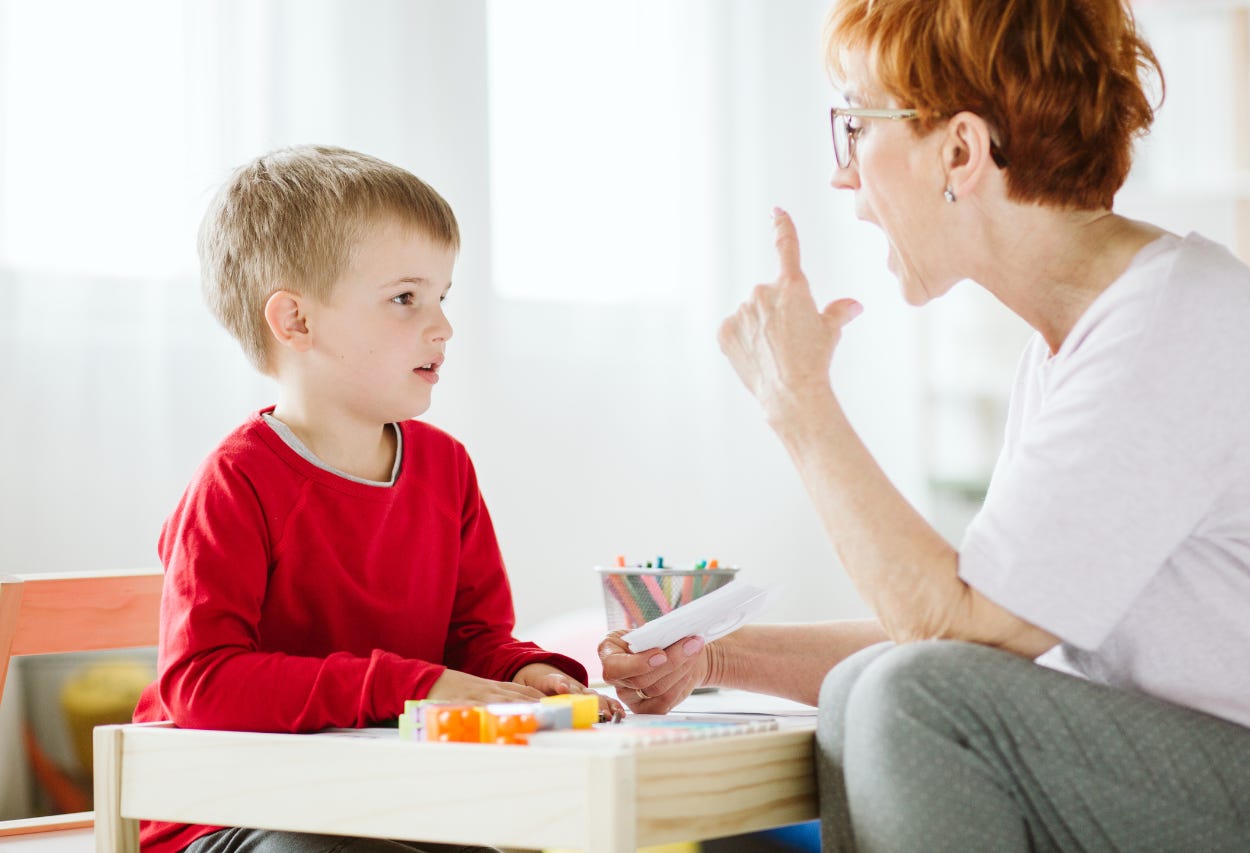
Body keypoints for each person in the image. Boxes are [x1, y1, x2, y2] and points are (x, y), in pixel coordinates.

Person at [600, 0, 1250, 849]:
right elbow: (978, 638)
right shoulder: (1083, 342)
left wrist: (798, 400)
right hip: (1175, 776)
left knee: (908, 694)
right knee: (866, 684)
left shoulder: (1169, 327)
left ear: (960, 151)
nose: (843, 177)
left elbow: (956, 635)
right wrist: (713, 655)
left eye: (855, 126)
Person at [133, 145, 623, 853]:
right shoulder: (236, 482)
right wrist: (411, 685)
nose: (443, 327)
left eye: (442, 297)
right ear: (296, 321)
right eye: (405, 299)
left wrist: (524, 672)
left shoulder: (446, 469)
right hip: (224, 813)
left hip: (383, 800)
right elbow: (202, 684)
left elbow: (473, 640)